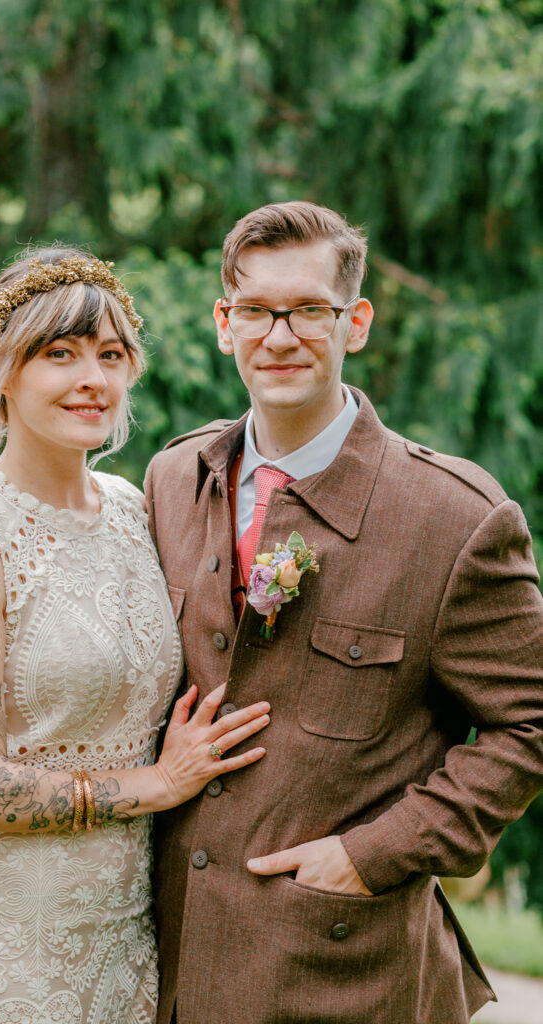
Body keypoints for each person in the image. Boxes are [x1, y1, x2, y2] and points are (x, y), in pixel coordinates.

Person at [145, 201, 543, 1024]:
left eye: (307, 312)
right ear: (224, 324)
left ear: (354, 322)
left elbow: (530, 723)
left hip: (345, 976)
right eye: (254, 310)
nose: (278, 335)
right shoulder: (170, 480)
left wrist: (371, 855)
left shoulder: (454, 519)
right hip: (172, 968)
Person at [0, 247, 271, 1024]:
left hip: (125, 926)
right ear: (0, 372)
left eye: (109, 355)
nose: (91, 378)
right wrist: (156, 787)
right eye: (59, 354)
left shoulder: (136, 511)